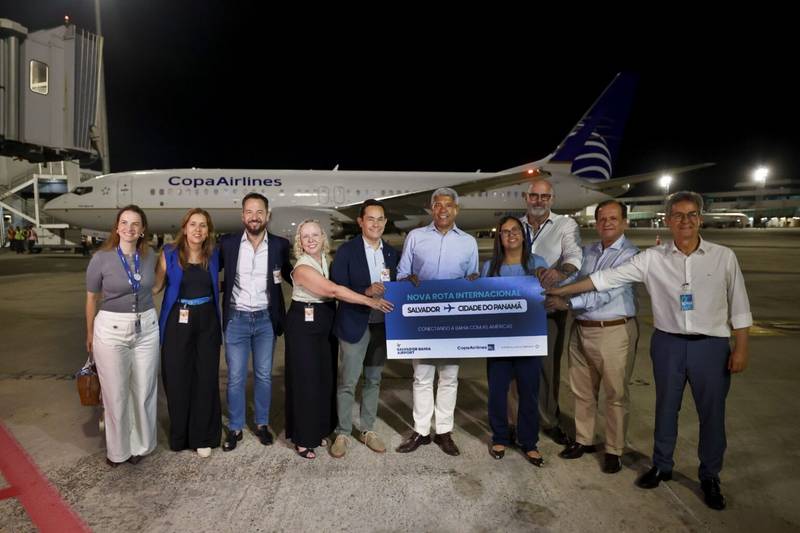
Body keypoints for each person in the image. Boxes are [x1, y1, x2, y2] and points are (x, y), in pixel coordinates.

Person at [547, 191, 751, 510]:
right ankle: (662, 465)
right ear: (668, 220)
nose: (685, 221)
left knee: (712, 414)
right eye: (678, 215)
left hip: (711, 346)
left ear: (700, 218)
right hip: (668, 343)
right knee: (666, 409)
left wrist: (741, 349)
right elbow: (603, 279)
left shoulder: (723, 256)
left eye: (692, 214)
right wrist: (560, 290)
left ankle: (710, 476)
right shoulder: (653, 258)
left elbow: (739, 304)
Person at [285, 219, 393, 459]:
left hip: (325, 320)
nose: (311, 240)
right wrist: (369, 301)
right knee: (306, 382)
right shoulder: (302, 267)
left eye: (315, 235)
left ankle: (317, 430)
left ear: (323, 237)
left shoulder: (324, 259)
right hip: (304, 325)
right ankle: (303, 438)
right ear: (299, 242)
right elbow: (333, 290)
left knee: (323, 380)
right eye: (305, 236)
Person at [545, 200, 639, 474]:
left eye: (613, 218)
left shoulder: (631, 255)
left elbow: (605, 293)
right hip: (581, 329)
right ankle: (584, 439)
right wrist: (542, 282)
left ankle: (613, 449)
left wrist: (567, 303)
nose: (607, 223)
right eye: (602, 219)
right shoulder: (588, 252)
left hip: (613, 331)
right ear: (596, 223)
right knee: (582, 391)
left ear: (624, 222)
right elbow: (570, 280)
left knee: (615, 394)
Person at [395, 187, 479, 456]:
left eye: (448, 205)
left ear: (456, 209)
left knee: (449, 377)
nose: (443, 210)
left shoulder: (469, 242)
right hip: (422, 318)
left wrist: (473, 283)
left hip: (453, 319)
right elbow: (401, 273)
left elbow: (473, 278)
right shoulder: (416, 237)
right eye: (438, 205)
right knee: (422, 376)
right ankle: (421, 431)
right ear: (432, 209)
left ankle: (444, 431)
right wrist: (406, 280)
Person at [85, 205, 159, 466]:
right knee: (115, 393)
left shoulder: (150, 256)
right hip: (111, 329)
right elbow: (91, 298)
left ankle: (141, 446)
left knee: (144, 390)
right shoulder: (101, 258)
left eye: (135, 223)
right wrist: (89, 333)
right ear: (117, 228)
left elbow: (155, 286)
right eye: (124, 223)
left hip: (146, 328)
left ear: (143, 230)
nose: (129, 228)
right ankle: (118, 451)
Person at [218, 192, 293, 451]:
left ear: (267, 215)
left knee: (263, 376)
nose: (254, 217)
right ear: (242, 216)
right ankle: (235, 427)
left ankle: (262, 424)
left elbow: (292, 274)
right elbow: (209, 270)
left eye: (259, 212)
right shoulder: (227, 243)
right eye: (249, 212)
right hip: (236, 319)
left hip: (265, 320)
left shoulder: (280, 245)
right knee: (235, 377)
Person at [329, 199, 399, 458]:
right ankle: (343, 432)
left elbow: (398, 284)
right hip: (354, 324)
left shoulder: (391, 253)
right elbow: (337, 286)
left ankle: (367, 429)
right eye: (371, 219)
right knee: (348, 381)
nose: (376, 224)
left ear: (385, 222)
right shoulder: (347, 251)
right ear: (360, 222)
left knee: (373, 379)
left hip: (381, 326)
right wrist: (366, 291)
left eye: (380, 219)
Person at [518, 179, 582, 445]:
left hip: (548, 305)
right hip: (517, 307)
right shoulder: (516, 225)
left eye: (545, 196)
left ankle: (549, 420)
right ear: (526, 197)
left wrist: (559, 273)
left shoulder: (565, 225)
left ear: (552, 200)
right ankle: (517, 419)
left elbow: (574, 257)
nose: (539, 201)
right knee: (514, 365)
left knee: (547, 367)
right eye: (534, 195)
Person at [154, 208, 222, 458]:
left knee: (205, 378)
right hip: (177, 321)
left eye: (203, 225)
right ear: (184, 228)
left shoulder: (213, 254)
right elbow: (155, 287)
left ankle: (202, 437)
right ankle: (180, 435)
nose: (197, 229)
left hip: (207, 321)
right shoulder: (169, 253)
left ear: (208, 231)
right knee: (177, 378)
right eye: (193, 224)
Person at [481, 216, 548, 466]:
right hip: (499, 341)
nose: (511, 235)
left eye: (515, 230)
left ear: (523, 234)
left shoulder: (537, 263)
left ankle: (529, 442)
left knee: (529, 392)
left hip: (529, 340)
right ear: (499, 237)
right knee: (497, 392)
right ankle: (500, 436)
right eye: (505, 231)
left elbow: (549, 294)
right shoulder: (489, 267)